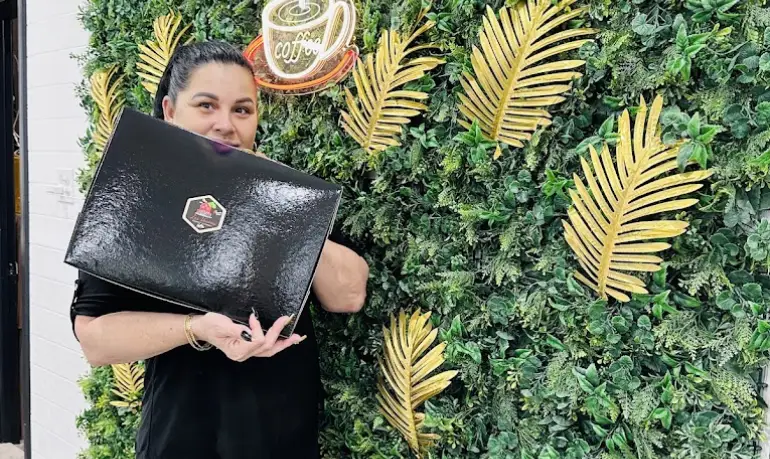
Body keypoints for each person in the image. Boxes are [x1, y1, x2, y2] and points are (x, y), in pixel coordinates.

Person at [70, 41, 370, 459]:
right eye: (206, 105)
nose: (225, 124)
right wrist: (196, 328)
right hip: (181, 441)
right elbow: (95, 339)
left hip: (284, 441)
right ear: (171, 111)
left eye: (242, 109)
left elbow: (349, 295)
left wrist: (282, 203)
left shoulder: (291, 199)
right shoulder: (134, 200)